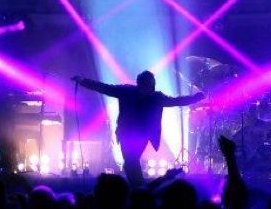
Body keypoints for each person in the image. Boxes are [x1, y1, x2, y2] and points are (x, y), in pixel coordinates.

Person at [73, 70, 204, 186]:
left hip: (142, 135)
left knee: (131, 162)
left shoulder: (157, 97)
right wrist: (83, 81)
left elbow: (176, 101)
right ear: (139, 84)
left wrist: (195, 98)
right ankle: (140, 188)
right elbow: (104, 88)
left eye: (148, 86)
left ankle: (139, 188)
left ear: (152, 86)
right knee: (130, 162)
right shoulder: (126, 91)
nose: (145, 89)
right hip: (126, 133)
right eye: (143, 85)